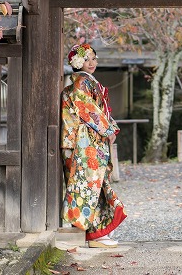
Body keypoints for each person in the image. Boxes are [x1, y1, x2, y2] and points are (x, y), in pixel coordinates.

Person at [60, 43, 126, 248]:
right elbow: (88, 110)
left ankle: (97, 231)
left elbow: (98, 110)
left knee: (94, 185)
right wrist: (109, 129)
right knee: (89, 186)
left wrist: (109, 129)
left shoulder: (87, 82)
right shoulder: (80, 83)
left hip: (88, 139)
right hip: (83, 141)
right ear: (77, 63)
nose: (91, 63)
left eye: (94, 58)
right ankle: (95, 234)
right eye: (86, 59)